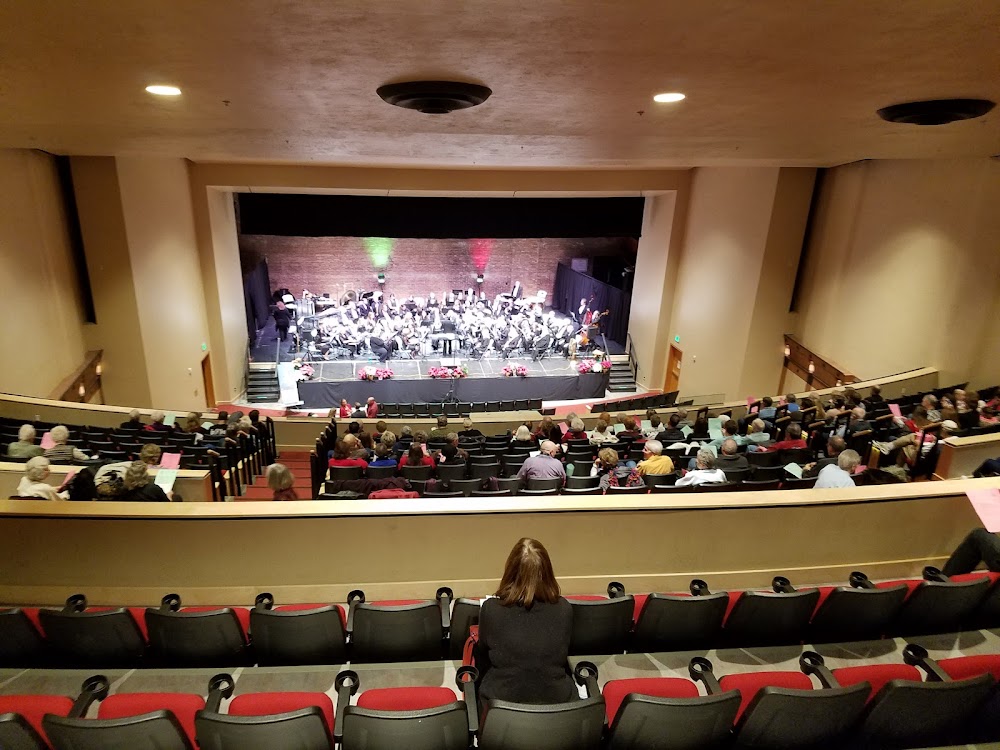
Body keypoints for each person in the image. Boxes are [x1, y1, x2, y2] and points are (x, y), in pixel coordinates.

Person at [477, 538, 576, 705]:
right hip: (558, 707)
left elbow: (482, 654)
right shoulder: (564, 609)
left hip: (501, 708)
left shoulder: (491, 609)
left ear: (510, 570)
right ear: (548, 572)